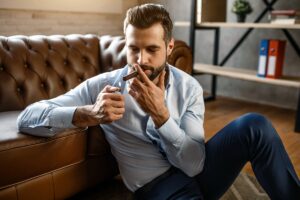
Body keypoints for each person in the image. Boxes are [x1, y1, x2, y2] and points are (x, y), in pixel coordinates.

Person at [17, 3, 300, 200]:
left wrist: (162, 117)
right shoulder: (103, 86)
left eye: (152, 49)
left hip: (196, 169)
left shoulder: (189, 87)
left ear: (169, 46)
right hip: (157, 186)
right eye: (133, 49)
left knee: (255, 125)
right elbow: (28, 116)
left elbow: (194, 165)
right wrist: (86, 114)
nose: (141, 61)